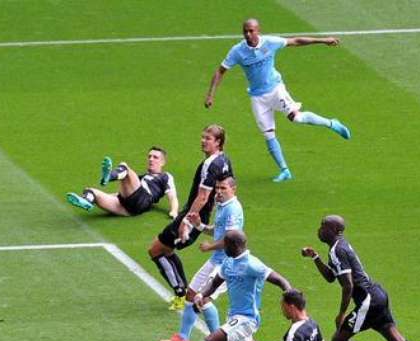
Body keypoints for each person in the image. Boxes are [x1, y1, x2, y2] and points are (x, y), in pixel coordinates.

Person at [204, 18, 351, 183]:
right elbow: (220, 71)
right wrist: (211, 94)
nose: (248, 34)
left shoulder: (270, 42)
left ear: (258, 31)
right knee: (268, 135)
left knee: (296, 117)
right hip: (257, 97)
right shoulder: (238, 51)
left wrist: (323, 40)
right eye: (245, 31)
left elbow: (295, 41)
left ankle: (332, 123)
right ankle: (285, 171)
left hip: (275, 90)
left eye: (251, 31)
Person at [180, 230, 290, 341]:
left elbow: (281, 280)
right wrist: (201, 295)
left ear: (234, 245)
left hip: (247, 320)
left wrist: (289, 297)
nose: (222, 246)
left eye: (225, 244)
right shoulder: (228, 262)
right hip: (234, 318)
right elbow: (215, 283)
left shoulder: (253, 264)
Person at [148, 125, 233, 311]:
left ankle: (181, 294)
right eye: (203, 137)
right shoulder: (224, 160)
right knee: (166, 251)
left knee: (156, 250)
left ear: (218, 142)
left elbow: (202, 197)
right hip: (198, 213)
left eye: (208, 138)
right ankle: (183, 291)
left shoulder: (211, 164)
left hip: (194, 215)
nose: (203, 141)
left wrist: (186, 222)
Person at [159, 175, 242, 341]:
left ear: (233, 189)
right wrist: (199, 225)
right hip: (216, 260)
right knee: (191, 293)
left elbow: (230, 239)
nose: (218, 192)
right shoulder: (222, 205)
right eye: (217, 188)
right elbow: (218, 230)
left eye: (223, 188)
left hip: (227, 264)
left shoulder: (233, 209)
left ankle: (217, 340)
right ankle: (182, 337)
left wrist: (210, 247)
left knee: (203, 299)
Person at [66, 147, 179, 218]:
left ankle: (108, 177)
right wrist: (106, 196)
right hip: (127, 209)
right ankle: (86, 201)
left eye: (155, 157)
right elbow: (125, 192)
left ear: (163, 162)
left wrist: (174, 211)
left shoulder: (165, 177)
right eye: (149, 156)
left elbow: (172, 196)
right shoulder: (141, 178)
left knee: (124, 166)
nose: (151, 159)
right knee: (91, 191)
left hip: (143, 200)